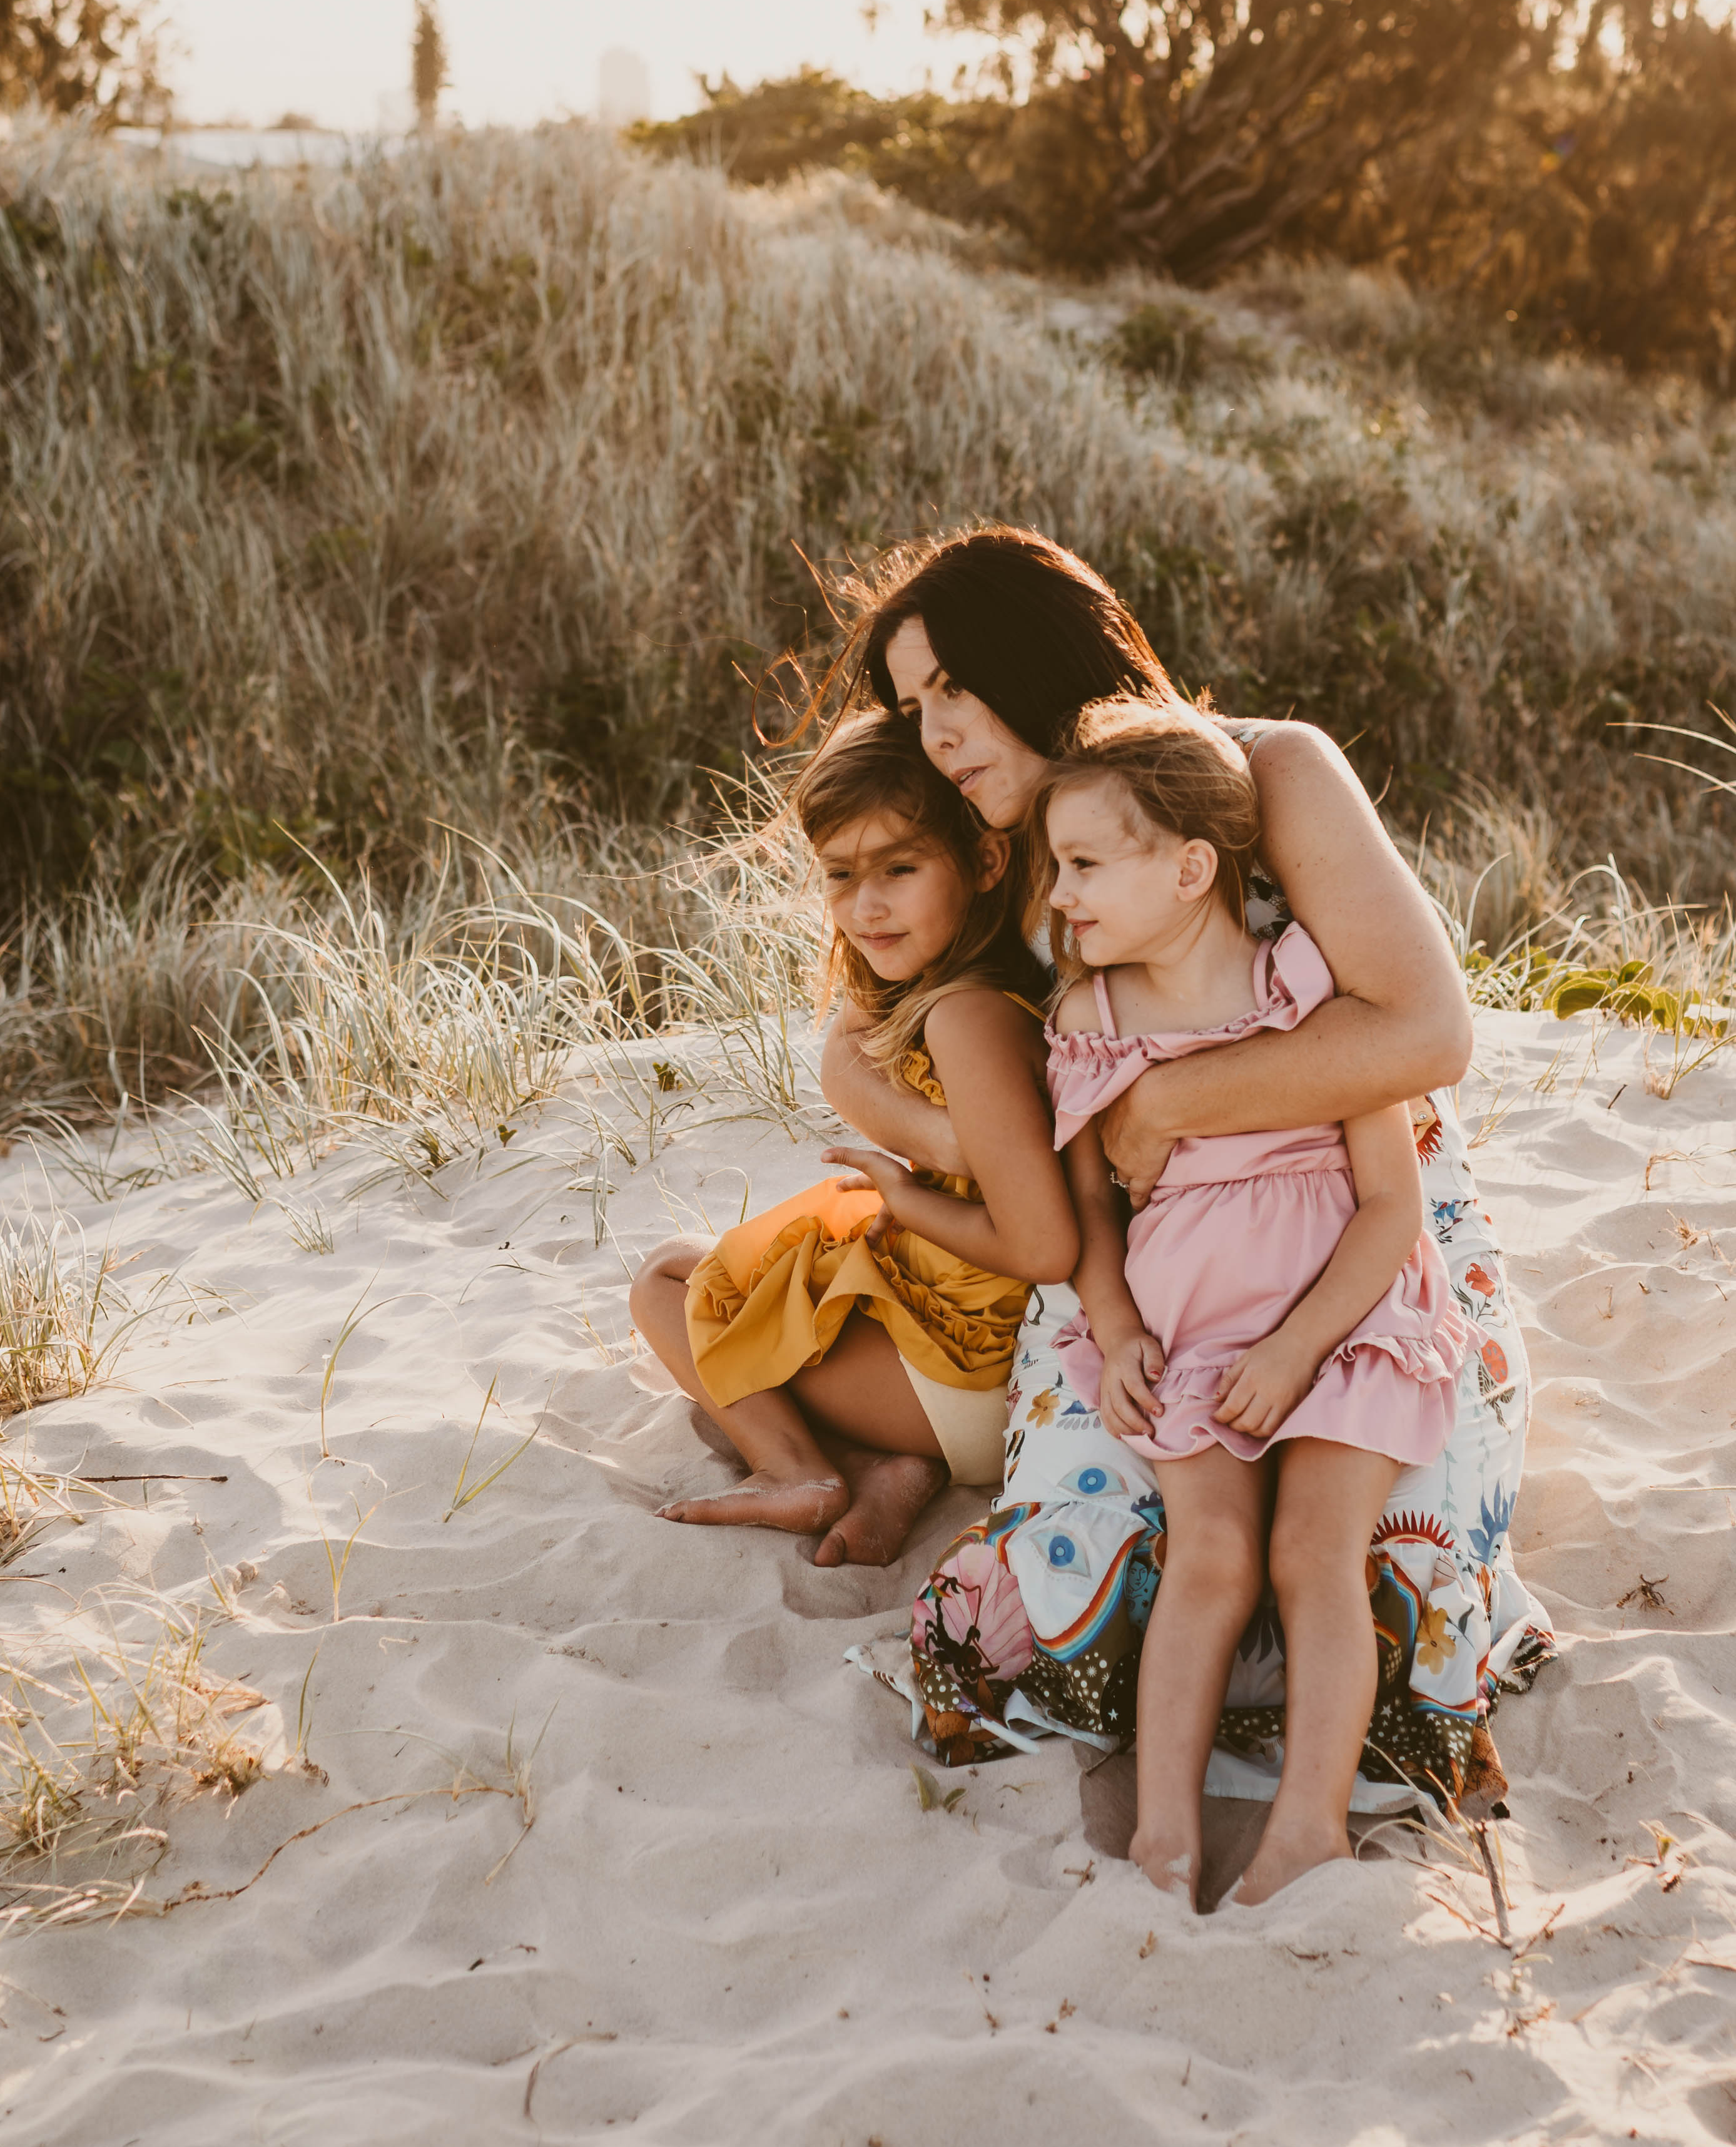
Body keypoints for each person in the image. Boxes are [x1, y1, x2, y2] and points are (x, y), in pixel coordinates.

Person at [810, 525, 1546, 1823]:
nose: (936, 734)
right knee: (1090, 1560)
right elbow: (857, 1024)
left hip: (1368, 1231)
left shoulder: (1267, 774)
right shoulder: (1001, 844)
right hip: (1145, 1271)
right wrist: (944, 1140)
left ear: (1038, 656)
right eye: (914, 705)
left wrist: (1167, 1100)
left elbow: (1428, 1033)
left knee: (1381, 1564)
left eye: (954, 688)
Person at [1041, 708, 1470, 1904]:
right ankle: (1164, 1832)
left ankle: (1308, 1827)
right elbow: (1090, 1211)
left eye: (1084, 864)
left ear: (1191, 869)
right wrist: (1120, 1331)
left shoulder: (1313, 991)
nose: (1059, 897)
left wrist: (1294, 1351)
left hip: (1343, 1324)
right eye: (1057, 866)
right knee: (1214, 1554)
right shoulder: (1091, 1023)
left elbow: (1389, 1206)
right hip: (1193, 1336)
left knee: (1311, 1550)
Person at [632, 710, 1077, 1571]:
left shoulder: (966, 1019)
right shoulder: (968, 987)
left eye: (900, 869)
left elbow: (1039, 1242)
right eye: (841, 874)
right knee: (777, 1272)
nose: (866, 907)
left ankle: (796, 1470)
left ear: (988, 861)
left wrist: (906, 1195)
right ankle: (886, 1464)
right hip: (959, 1353)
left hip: (966, 1380)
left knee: (668, 1281)